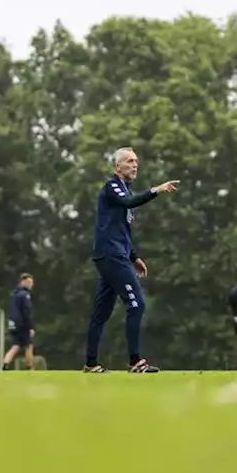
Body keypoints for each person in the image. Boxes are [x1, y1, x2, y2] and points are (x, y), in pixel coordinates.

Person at [83, 147, 180, 373]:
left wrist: (134, 257)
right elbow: (130, 203)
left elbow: (121, 230)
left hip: (115, 254)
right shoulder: (112, 185)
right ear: (117, 167)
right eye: (129, 161)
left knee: (101, 312)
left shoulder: (125, 190)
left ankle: (90, 363)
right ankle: (136, 361)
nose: (134, 165)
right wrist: (156, 190)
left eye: (136, 161)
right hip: (110, 255)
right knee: (137, 303)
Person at [3, 273, 36, 370]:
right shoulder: (25, 295)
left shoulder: (13, 294)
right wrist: (30, 327)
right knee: (29, 345)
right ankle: (29, 367)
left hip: (13, 324)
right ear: (23, 282)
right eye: (30, 282)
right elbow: (27, 311)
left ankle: (5, 363)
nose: (31, 285)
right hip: (22, 324)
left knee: (15, 346)